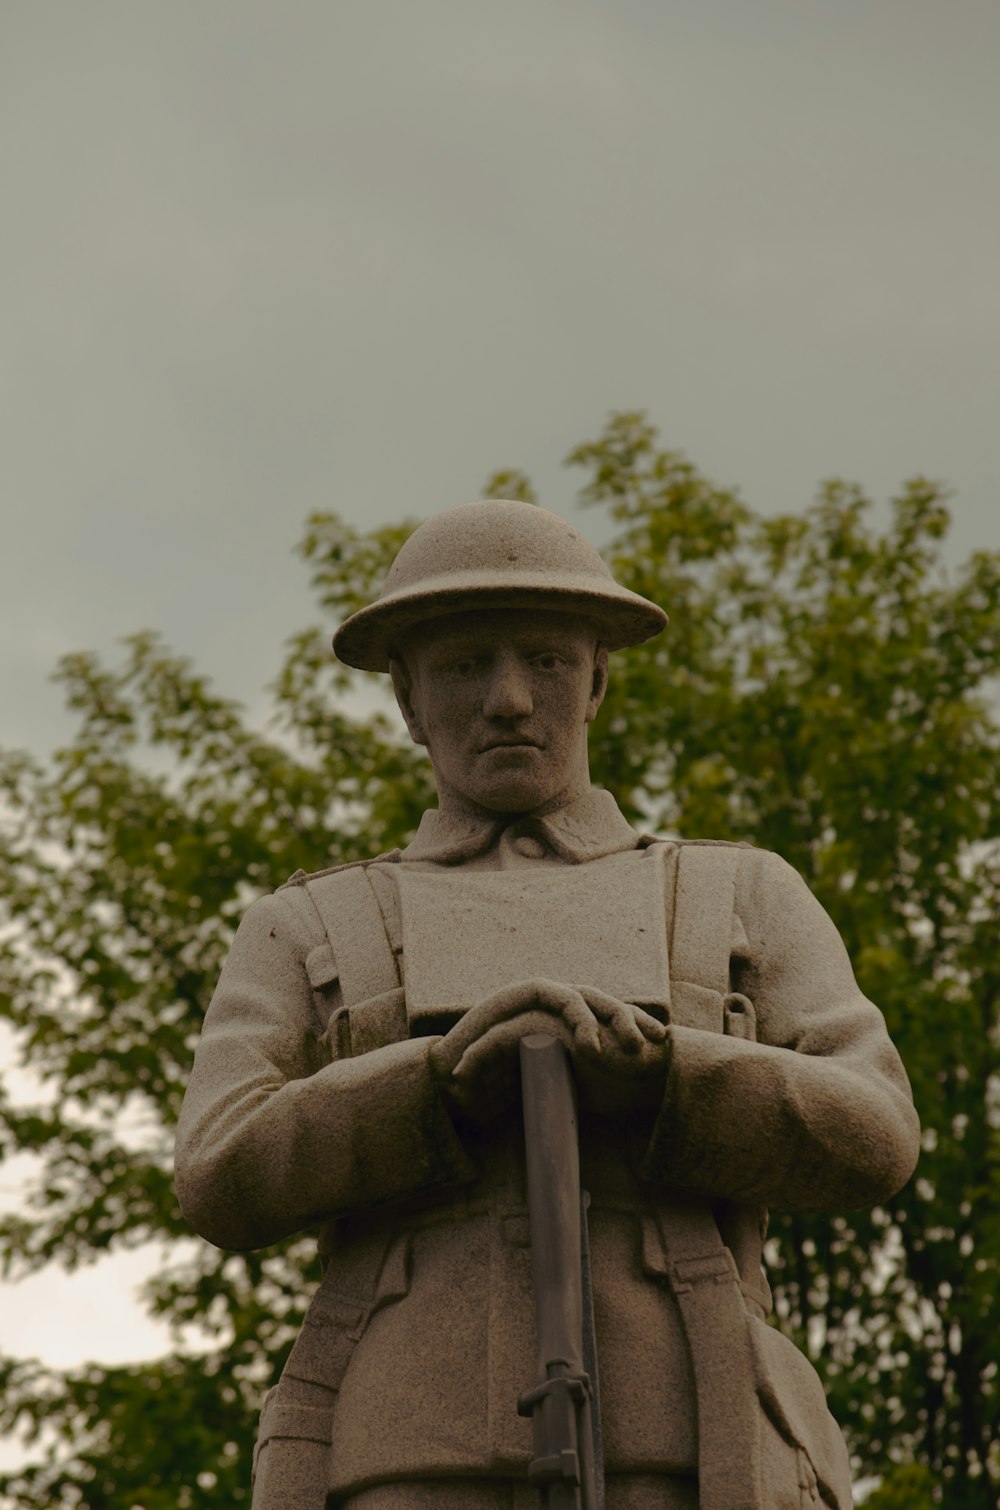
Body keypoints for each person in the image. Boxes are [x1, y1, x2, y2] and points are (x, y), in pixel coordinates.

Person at [175, 500, 920, 1510]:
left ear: (598, 679)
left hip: (696, 1446)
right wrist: (427, 1089)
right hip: (400, 1452)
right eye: (464, 664)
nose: (510, 698)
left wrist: (666, 1078)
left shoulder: (736, 896)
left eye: (546, 659)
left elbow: (874, 1132)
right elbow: (217, 1169)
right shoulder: (311, 924)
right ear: (406, 696)